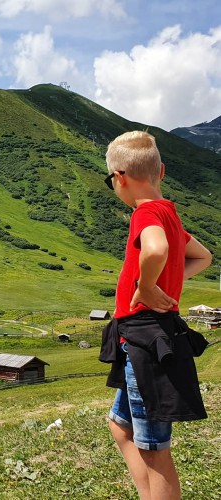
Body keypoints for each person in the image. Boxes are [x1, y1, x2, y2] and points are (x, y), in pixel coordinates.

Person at [100, 130, 212, 500]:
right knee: (121, 427)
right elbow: (203, 257)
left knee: (154, 450)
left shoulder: (145, 213)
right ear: (161, 172)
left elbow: (155, 248)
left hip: (147, 341)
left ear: (120, 177)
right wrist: (167, 277)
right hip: (144, 339)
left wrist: (148, 286)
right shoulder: (168, 214)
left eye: (110, 180)